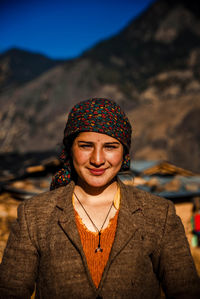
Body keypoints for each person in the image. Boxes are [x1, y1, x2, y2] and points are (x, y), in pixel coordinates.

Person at [0, 98, 199, 299]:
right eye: (86, 146)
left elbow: (185, 291)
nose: (97, 159)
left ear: (125, 153)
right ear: (70, 150)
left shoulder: (158, 214)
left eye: (110, 147)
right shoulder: (34, 215)